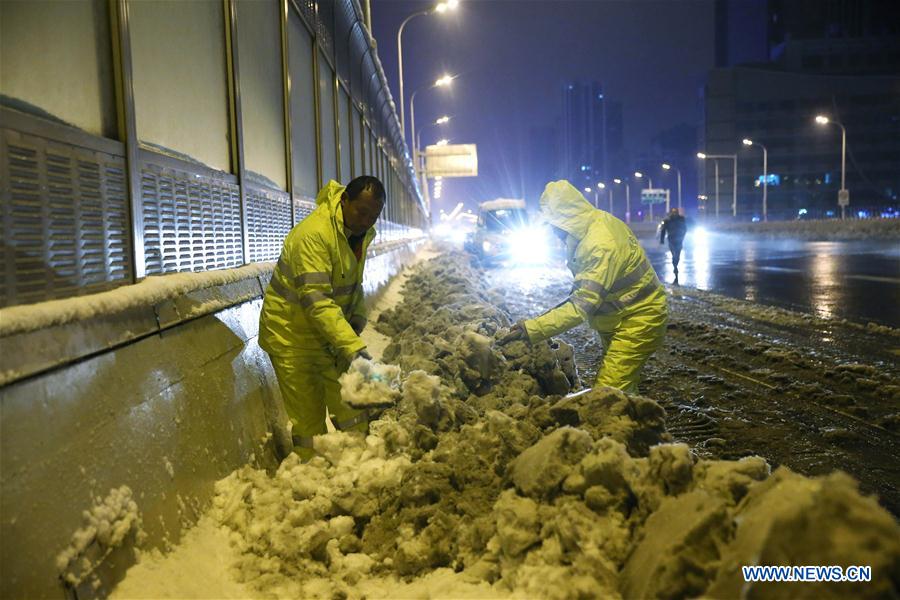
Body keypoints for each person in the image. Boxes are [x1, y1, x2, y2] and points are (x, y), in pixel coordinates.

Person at [499, 180, 667, 393]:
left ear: (565, 218)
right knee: (622, 391)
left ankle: (623, 424)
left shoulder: (599, 244)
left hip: (638, 321)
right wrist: (532, 325)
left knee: (607, 395)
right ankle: (636, 421)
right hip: (621, 319)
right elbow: (581, 293)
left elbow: (581, 305)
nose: (553, 231)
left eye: (554, 224)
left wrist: (532, 329)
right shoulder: (593, 226)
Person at [259, 176, 385, 459]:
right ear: (343, 201)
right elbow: (317, 300)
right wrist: (352, 347)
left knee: (351, 408)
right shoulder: (314, 236)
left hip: (327, 336)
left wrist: (357, 315)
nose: (366, 220)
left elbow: (351, 282)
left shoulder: (356, 232)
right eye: (361, 212)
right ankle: (312, 481)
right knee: (309, 423)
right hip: (291, 338)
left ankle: (359, 467)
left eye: (373, 216)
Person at [658, 208, 687, 284]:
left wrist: (682, 236)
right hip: (671, 240)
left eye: (675, 212)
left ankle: (675, 266)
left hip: (679, 240)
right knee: (674, 254)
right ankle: (675, 267)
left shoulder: (681, 219)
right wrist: (662, 240)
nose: (674, 214)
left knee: (677, 255)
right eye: (673, 212)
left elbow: (685, 228)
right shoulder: (667, 221)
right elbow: (663, 230)